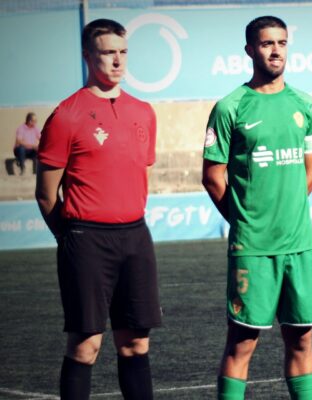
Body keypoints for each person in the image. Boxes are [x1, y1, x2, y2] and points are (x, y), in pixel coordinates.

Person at [34, 18, 160, 400]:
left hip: (135, 236)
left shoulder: (143, 111)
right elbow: (46, 194)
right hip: (86, 239)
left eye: (123, 52)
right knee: (86, 344)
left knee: (136, 343)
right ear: (88, 56)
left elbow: (139, 174)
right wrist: (72, 237)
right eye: (108, 53)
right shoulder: (66, 115)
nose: (118, 61)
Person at [201, 15, 312, 400]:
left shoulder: (305, 105)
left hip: (299, 244)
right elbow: (213, 176)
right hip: (252, 248)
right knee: (242, 342)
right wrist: (246, 219)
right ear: (250, 50)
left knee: (302, 339)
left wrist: (287, 213)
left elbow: (311, 171)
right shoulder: (230, 107)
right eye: (267, 43)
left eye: (282, 43)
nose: (276, 51)